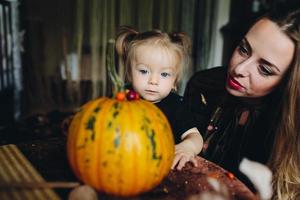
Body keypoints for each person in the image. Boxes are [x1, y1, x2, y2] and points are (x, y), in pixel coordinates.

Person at [184, 3, 300, 200]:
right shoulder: (203, 85)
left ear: (287, 84)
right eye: (244, 49)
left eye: (264, 70)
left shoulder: (287, 127)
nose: (240, 69)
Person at [115, 26, 203, 170]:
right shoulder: (122, 98)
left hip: (164, 168)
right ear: (130, 74)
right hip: (124, 165)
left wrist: (188, 147)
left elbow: (194, 136)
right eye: (144, 71)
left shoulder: (176, 106)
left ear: (174, 81)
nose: (153, 81)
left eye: (164, 74)